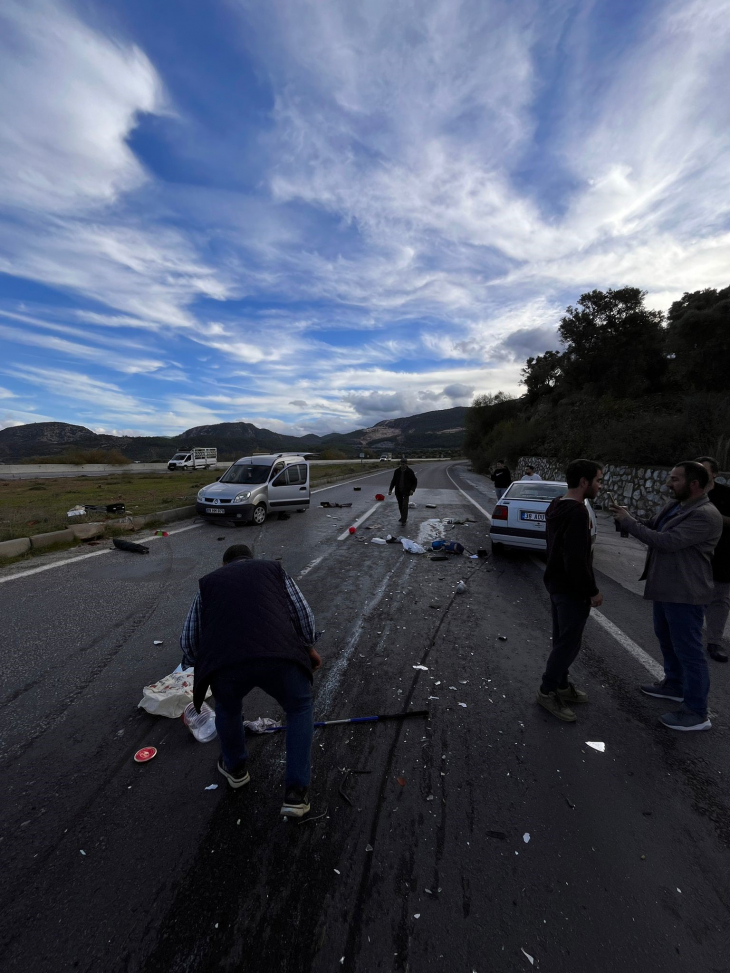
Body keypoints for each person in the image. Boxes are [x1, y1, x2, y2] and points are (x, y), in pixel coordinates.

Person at [180, 544, 322, 817]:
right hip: (279, 656)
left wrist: (201, 664)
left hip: (229, 664)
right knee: (299, 708)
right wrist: (310, 647)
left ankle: (235, 769)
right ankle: (295, 793)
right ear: (251, 560)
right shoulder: (273, 571)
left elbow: (189, 640)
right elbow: (302, 615)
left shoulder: (209, 584)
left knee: (228, 708)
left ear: (225, 565)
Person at [611, 462, 722, 731]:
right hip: (666, 588)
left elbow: (667, 542)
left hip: (686, 592)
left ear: (693, 484)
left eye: (674, 479)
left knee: (690, 651)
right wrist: (628, 517)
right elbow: (655, 526)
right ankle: (674, 684)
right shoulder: (676, 505)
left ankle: (697, 712)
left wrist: (630, 523)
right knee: (666, 638)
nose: (668, 484)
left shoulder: (705, 515)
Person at [537, 459, 604, 722]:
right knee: (568, 643)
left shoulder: (557, 504)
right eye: (598, 480)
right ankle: (547, 690)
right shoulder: (577, 512)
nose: (600, 486)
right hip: (571, 589)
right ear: (584, 482)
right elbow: (575, 560)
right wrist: (592, 591)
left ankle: (562, 686)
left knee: (562, 639)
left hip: (555, 584)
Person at [696, 456, 730, 663]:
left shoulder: (726, 495)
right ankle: (689, 638)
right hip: (694, 556)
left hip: (722, 556)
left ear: (715, 474)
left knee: (720, 600)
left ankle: (714, 642)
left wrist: (711, 516)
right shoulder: (689, 494)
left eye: (703, 470)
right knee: (692, 599)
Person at [389, 457, 417, 525]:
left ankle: (404, 520)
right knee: (400, 505)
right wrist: (390, 489)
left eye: (404, 464)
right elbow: (393, 481)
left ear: (406, 464)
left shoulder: (410, 471)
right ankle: (402, 517)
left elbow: (415, 481)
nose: (402, 465)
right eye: (401, 464)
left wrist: (412, 490)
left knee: (405, 506)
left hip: (406, 491)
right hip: (398, 491)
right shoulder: (397, 471)